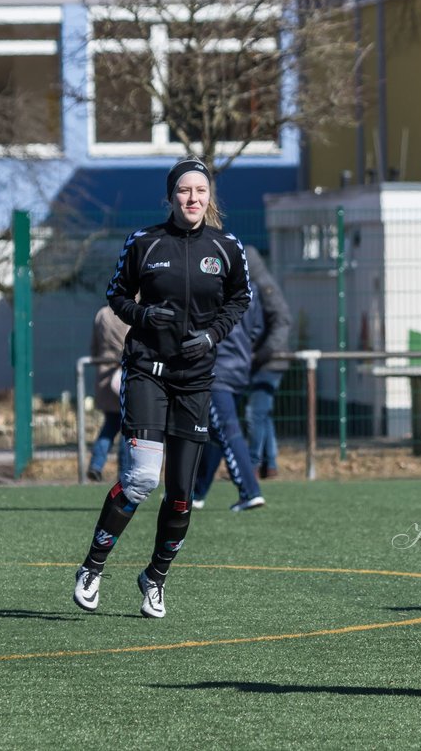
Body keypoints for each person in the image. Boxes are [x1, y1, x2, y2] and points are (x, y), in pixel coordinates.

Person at [72, 156, 250, 619]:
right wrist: (143, 316)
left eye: (201, 191)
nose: (192, 198)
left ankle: (155, 578)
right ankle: (92, 568)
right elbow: (115, 296)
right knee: (140, 479)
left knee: (180, 494)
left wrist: (212, 336)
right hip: (147, 371)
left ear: (210, 198)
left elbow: (240, 299)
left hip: (195, 380)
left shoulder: (228, 247)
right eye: (184, 191)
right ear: (171, 196)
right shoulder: (144, 243)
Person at [191, 284, 266, 511]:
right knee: (216, 432)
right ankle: (196, 493)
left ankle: (249, 491)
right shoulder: (247, 287)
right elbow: (257, 329)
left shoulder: (206, 286)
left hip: (216, 370)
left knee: (226, 430)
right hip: (240, 370)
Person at [244, 245, 291, 479]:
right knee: (263, 414)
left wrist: (264, 351)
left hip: (270, 360)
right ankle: (270, 465)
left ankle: (252, 465)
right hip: (264, 358)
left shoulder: (264, 287)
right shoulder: (257, 285)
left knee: (255, 413)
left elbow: (282, 320)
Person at [86, 304, 132, 482]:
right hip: (124, 373)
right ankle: (123, 470)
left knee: (110, 424)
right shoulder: (131, 312)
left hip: (104, 374)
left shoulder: (102, 314)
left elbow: (94, 346)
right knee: (126, 425)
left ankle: (96, 465)